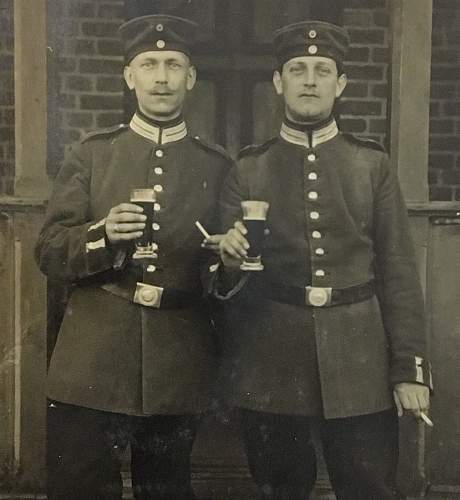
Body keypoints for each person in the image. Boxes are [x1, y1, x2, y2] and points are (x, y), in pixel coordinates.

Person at [210, 20, 433, 500]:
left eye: (322, 70)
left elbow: (398, 272)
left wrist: (408, 368)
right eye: (297, 69)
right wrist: (227, 259)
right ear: (278, 82)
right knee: (280, 486)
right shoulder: (248, 168)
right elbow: (223, 275)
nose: (309, 80)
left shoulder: (372, 165)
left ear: (341, 83)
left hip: (360, 358)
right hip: (272, 359)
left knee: (369, 486)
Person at [35, 14, 231, 500]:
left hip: (177, 356)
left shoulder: (218, 165)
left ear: (191, 78)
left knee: (165, 488)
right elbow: (50, 249)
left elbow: (220, 269)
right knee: (80, 485)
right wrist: (102, 234)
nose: (161, 76)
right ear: (129, 76)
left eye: (173, 64)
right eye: (149, 64)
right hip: (93, 352)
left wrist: (227, 258)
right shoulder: (93, 154)